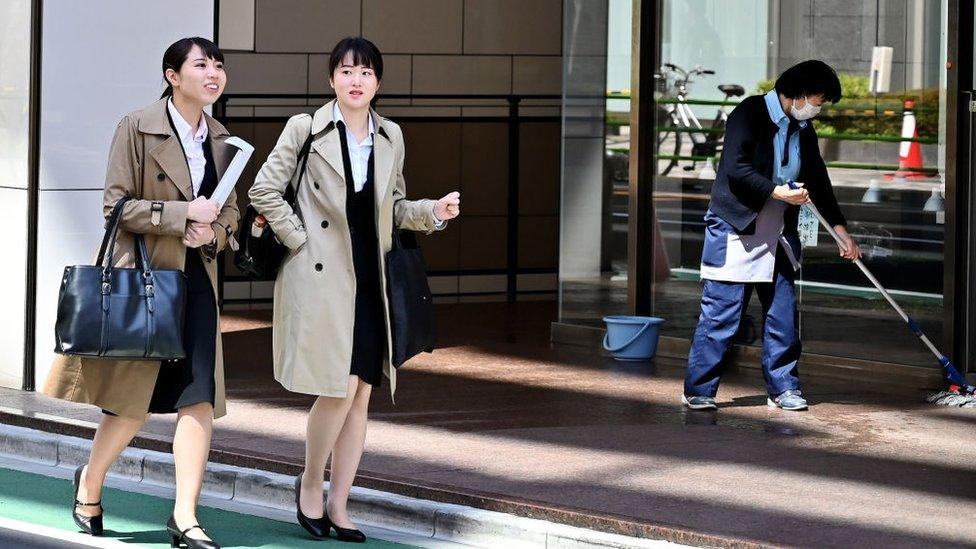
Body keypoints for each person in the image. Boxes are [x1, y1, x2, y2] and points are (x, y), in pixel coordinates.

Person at [248, 36, 460, 542]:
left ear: (378, 82)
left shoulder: (391, 136)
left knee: (363, 391)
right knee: (339, 388)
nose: (355, 80)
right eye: (345, 71)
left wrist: (433, 213)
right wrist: (300, 241)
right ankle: (309, 485)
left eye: (365, 73)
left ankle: (340, 503)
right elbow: (263, 189)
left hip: (373, 274)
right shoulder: (305, 128)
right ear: (331, 79)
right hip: (322, 276)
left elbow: (396, 206)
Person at [43, 37, 240, 549]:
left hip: (198, 281)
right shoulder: (137, 126)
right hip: (147, 278)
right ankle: (90, 481)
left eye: (218, 65)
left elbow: (231, 214)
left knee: (198, 401)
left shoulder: (223, 138)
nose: (213, 73)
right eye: (201, 64)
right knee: (130, 406)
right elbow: (115, 207)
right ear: (173, 75)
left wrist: (212, 233)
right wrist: (180, 218)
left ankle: (186, 517)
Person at [683, 60, 861, 412]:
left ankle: (784, 388)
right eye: (817, 99)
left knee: (782, 314)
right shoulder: (749, 114)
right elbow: (735, 168)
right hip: (737, 226)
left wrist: (841, 230)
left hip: (779, 230)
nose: (817, 107)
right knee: (722, 314)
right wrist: (777, 192)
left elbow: (819, 183)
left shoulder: (802, 127)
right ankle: (699, 388)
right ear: (796, 93)